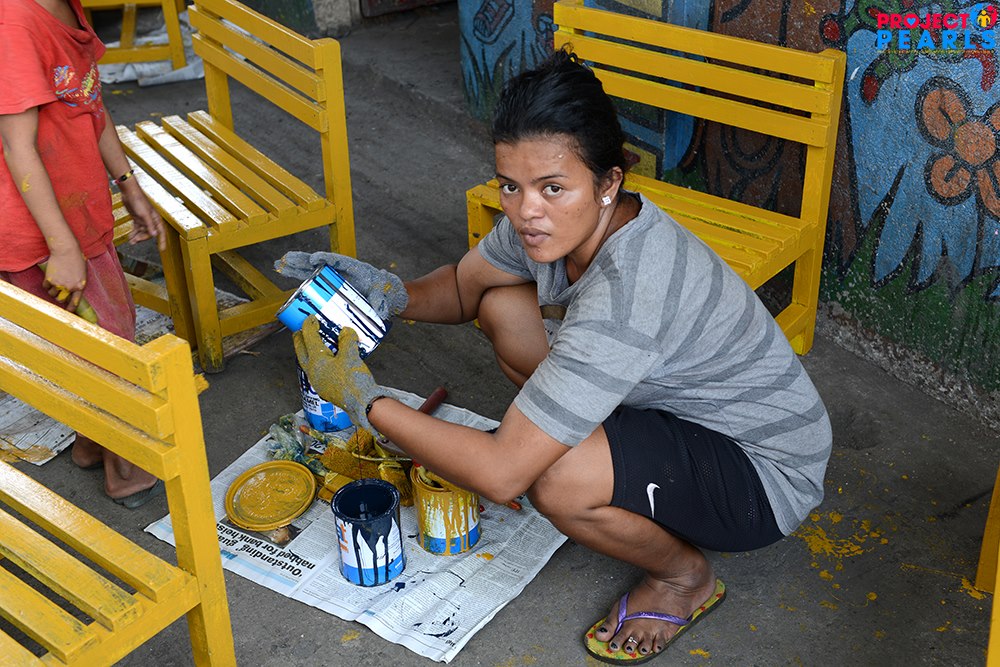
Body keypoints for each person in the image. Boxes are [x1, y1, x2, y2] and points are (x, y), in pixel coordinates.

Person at [282, 49, 832, 663]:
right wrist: (389, 294)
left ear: (609, 183)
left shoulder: (627, 293)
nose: (526, 211)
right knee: (501, 303)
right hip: (678, 412)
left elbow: (502, 476)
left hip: (762, 475)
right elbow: (463, 288)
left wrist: (364, 399)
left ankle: (684, 579)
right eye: (510, 186)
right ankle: (574, 441)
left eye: (553, 188)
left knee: (554, 478)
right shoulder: (549, 225)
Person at [0, 0, 167, 508]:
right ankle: (126, 470)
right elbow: (17, 145)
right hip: (43, 235)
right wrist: (62, 247)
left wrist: (129, 186)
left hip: (78, 215)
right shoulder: (14, 22)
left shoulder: (66, 8)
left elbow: (90, 102)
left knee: (103, 334)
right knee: (108, 350)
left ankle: (92, 444)